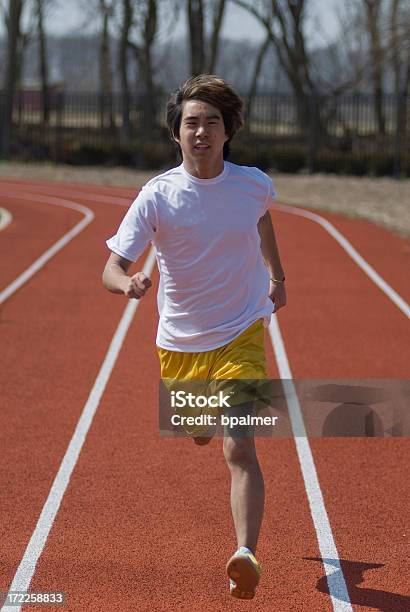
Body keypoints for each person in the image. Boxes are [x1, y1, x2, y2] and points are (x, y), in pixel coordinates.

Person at [102, 74, 286, 600]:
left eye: (211, 122)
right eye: (191, 123)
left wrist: (278, 278)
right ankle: (197, 424)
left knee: (240, 445)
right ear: (176, 134)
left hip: (243, 330)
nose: (200, 131)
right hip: (181, 340)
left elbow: (263, 222)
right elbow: (111, 267)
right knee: (198, 431)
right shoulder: (157, 196)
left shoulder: (252, 184)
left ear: (228, 130)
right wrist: (129, 283)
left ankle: (245, 553)